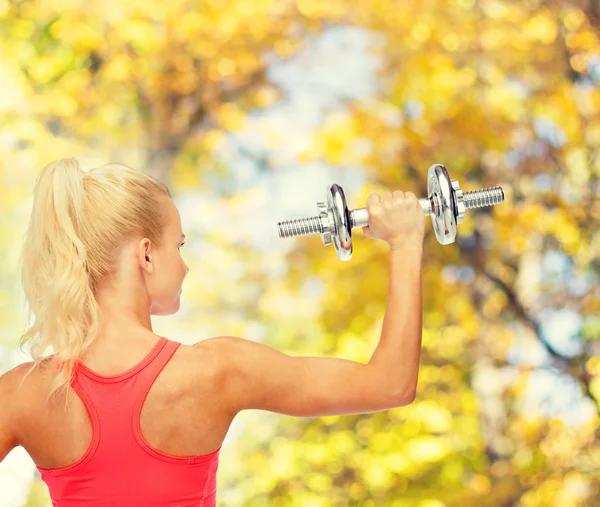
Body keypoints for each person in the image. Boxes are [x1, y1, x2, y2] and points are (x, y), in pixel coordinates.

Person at [0, 157, 425, 506]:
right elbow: (390, 384)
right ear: (146, 255)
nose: (184, 264)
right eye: (179, 245)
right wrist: (405, 243)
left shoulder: (24, 393)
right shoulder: (217, 370)